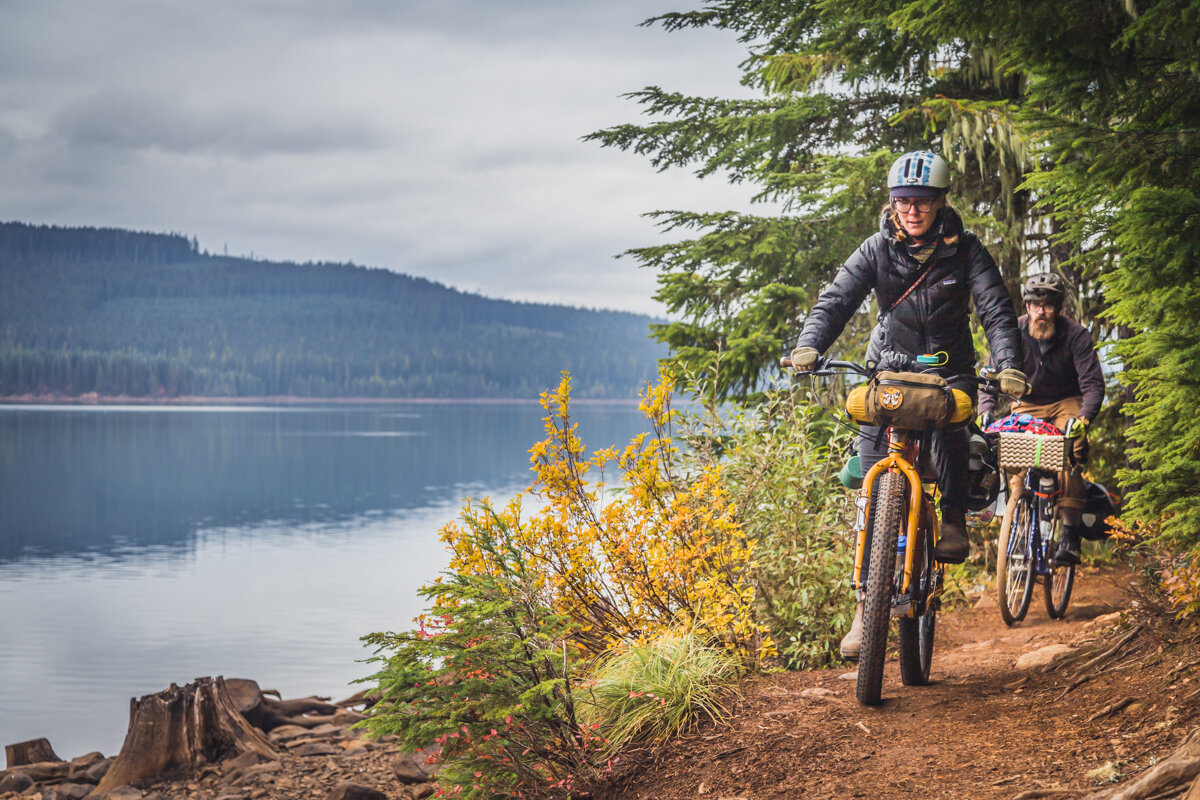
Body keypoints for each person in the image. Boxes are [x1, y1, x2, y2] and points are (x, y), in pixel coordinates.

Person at [790, 149, 1027, 660]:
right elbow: (837, 299)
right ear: (892, 204)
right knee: (872, 476)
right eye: (903, 202)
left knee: (954, 430)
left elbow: (996, 311)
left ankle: (955, 519)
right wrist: (812, 344)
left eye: (921, 201)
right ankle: (864, 608)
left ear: (941, 202)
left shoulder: (966, 251)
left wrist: (1006, 362)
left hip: (949, 368)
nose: (912, 211)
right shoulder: (875, 249)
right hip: (889, 368)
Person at [977, 272, 1105, 565]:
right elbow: (992, 377)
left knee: (1069, 450)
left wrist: (1083, 419)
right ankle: (1018, 518)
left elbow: (1093, 385)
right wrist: (985, 409)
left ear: (1058, 308)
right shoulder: (1013, 332)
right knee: (1012, 451)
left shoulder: (1076, 335)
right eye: (1035, 305)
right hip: (1027, 402)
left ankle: (1071, 532)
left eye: (1047, 305)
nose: (1041, 312)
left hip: (1066, 402)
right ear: (1026, 306)